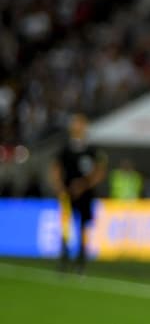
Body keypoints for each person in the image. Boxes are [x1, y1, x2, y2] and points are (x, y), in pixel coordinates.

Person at [49, 111, 107, 273]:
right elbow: (56, 168)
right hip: (67, 193)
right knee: (66, 223)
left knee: (83, 225)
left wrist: (84, 185)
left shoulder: (92, 150)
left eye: (80, 123)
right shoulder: (65, 149)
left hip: (86, 193)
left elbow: (100, 171)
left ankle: (81, 257)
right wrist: (60, 186)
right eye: (75, 123)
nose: (77, 127)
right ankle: (64, 255)